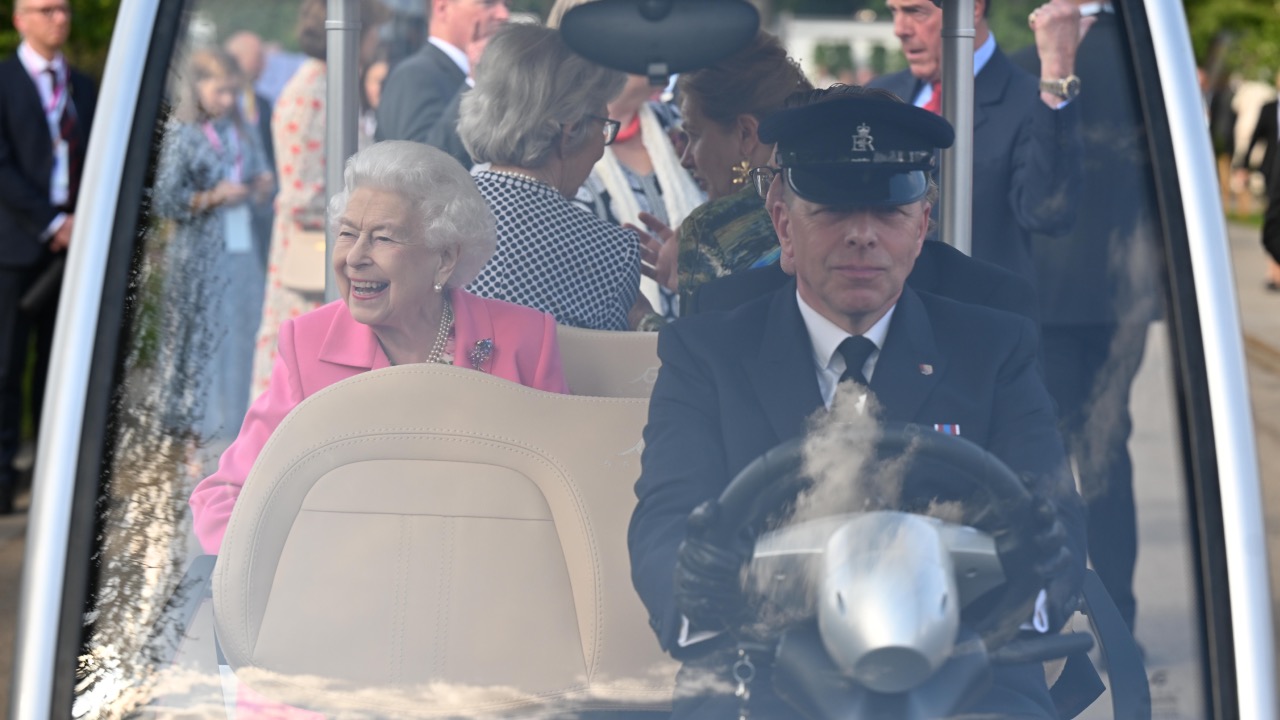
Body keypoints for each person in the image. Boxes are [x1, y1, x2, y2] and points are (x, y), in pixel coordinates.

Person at [628, 89, 1085, 719]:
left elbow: (1052, 519)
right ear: (784, 223)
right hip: (763, 664)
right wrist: (698, 588)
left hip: (964, 666)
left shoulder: (995, 347)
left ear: (922, 227)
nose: (863, 235)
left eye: (889, 212)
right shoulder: (707, 351)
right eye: (834, 210)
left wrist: (1024, 580)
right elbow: (667, 518)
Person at [190, 141, 569, 554]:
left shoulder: (526, 338)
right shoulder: (308, 345)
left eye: (382, 238)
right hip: (351, 592)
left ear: (444, 258)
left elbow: (564, 495)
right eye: (348, 234)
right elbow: (224, 496)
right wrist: (302, 567)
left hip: (485, 584)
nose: (354, 257)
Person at [1012, 0, 1163, 636]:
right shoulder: (1148, 75)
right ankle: (1119, 614)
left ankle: (1047, 609)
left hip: (1042, 290)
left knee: (1041, 458)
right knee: (1108, 453)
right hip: (1122, 294)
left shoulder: (1027, 69)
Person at [870, 0, 1083, 284]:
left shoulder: (1034, 100)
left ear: (972, 8)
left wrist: (1057, 75)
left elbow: (1047, 214)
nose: (900, 29)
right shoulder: (878, 95)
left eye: (915, 11)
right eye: (893, 11)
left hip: (980, 312)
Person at [458, 23, 643, 331]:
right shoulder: (611, 252)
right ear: (569, 133)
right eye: (604, 124)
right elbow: (612, 376)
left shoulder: (429, 215)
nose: (602, 145)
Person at [250, 0, 388, 399]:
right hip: (311, 259)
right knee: (303, 366)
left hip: (323, 251)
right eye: (373, 28)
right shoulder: (316, 89)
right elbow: (301, 193)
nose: (377, 40)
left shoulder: (329, 83)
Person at [153, 48, 275, 474]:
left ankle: (237, 435)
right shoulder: (180, 134)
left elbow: (262, 180)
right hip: (200, 258)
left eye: (232, 90)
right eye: (219, 90)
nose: (227, 98)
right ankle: (196, 443)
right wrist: (212, 197)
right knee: (202, 348)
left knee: (242, 342)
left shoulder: (240, 127)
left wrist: (261, 186)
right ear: (197, 87)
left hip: (242, 254)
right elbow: (165, 199)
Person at [0, 0, 96, 514]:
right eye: (45, 9)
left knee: (59, 365)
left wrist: (83, 222)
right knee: (6, 364)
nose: (59, 18)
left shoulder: (84, 85)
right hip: (18, 246)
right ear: (20, 19)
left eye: (63, 9)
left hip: (76, 245)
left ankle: (49, 482)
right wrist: (54, 222)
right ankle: (3, 480)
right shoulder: (5, 81)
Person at [665, 32, 813, 309]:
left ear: (746, 133)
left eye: (694, 135)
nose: (686, 159)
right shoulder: (844, 202)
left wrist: (641, 315)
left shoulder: (711, 229)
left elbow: (693, 352)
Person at [376, 0, 508, 167]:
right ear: (442, 8)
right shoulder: (413, 75)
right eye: (487, 3)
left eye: (507, 5)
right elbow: (422, 168)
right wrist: (475, 82)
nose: (503, 15)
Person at [224, 30, 277, 268]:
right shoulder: (218, 106)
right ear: (239, 58)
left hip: (262, 204)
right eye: (259, 56)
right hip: (228, 206)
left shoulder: (263, 103)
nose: (264, 64)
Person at [1238, 75, 1280, 290]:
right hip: (1272, 172)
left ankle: (1276, 273)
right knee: (1273, 220)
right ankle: (1274, 270)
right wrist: (1243, 165)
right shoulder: (1270, 108)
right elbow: (1256, 137)